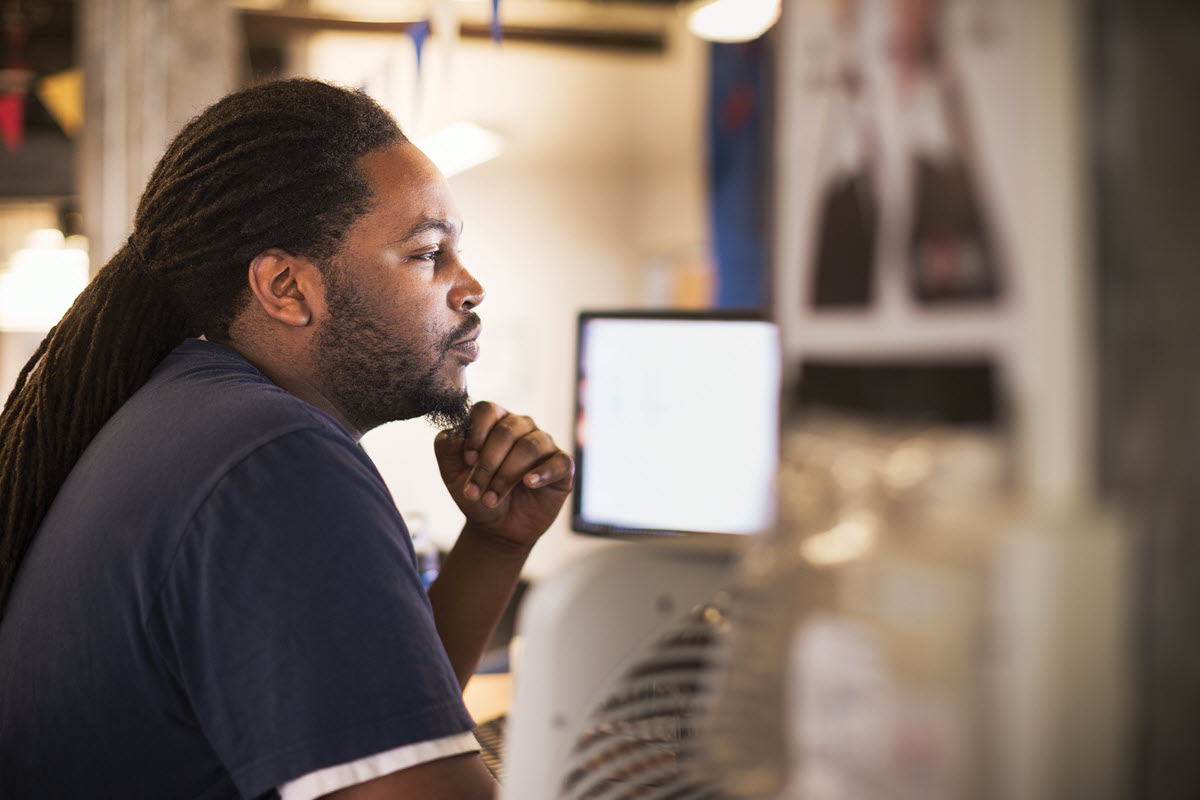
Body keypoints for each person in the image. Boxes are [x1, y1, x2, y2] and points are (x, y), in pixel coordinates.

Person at [0, 79, 573, 799]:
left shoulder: (195, 413)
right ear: (287, 288)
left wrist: (493, 545)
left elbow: (371, 730)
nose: (471, 287)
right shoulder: (274, 461)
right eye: (429, 254)